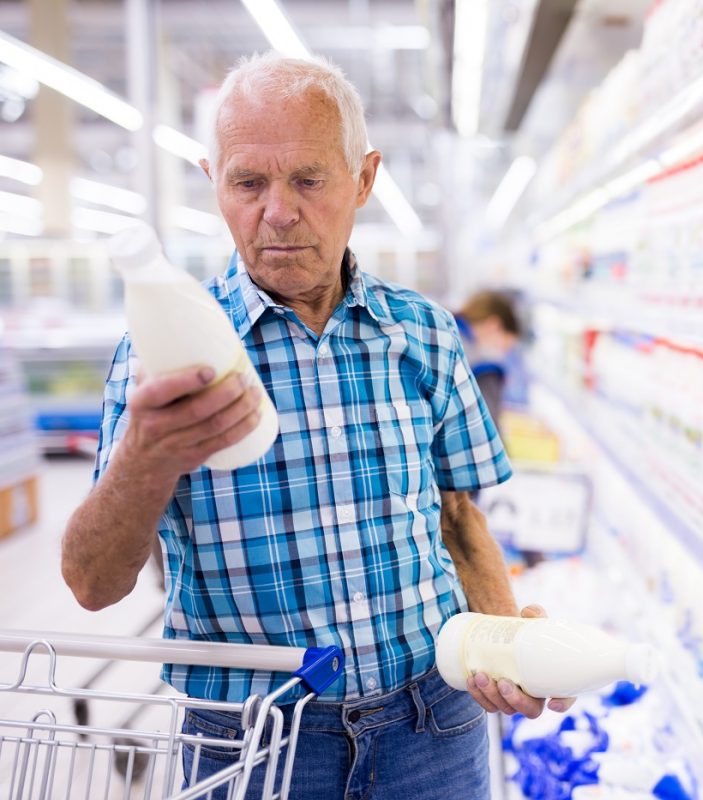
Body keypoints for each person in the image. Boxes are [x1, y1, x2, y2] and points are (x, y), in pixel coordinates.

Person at [60, 52, 570, 799]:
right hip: (254, 744)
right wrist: (145, 458)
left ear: (363, 179)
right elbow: (93, 585)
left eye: (308, 179)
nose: (277, 211)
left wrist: (504, 642)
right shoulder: (160, 356)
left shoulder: (423, 333)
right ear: (215, 184)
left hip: (433, 725)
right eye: (247, 183)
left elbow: (459, 517)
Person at [455, 289, 528, 420]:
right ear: (493, 325)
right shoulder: (482, 366)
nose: (503, 355)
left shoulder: (443, 328)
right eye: (504, 347)